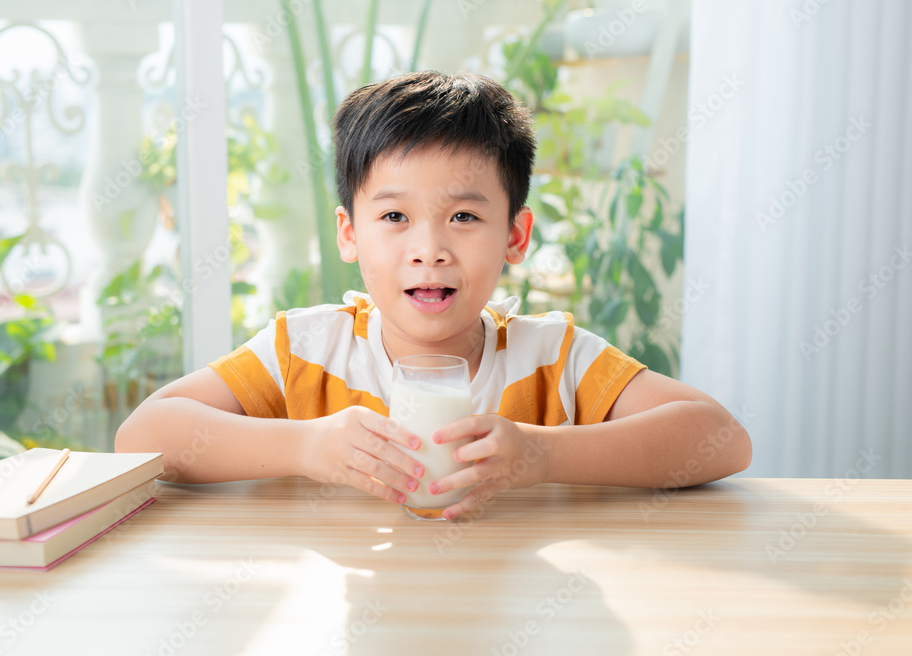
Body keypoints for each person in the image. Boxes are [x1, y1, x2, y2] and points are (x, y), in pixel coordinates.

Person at [116, 70, 751, 520]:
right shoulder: (307, 350)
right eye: (394, 218)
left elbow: (720, 438)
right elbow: (144, 435)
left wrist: (540, 454)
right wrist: (307, 446)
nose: (429, 250)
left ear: (515, 235)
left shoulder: (552, 360)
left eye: (464, 218)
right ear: (349, 234)